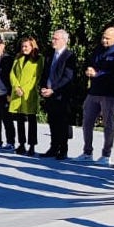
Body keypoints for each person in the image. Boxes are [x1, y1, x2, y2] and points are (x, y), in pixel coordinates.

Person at [76, 26, 114, 165]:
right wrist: (89, 70)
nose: (104, 40)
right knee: (87, 121)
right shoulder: (98, 50)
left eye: (107, 38)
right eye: (103, 37)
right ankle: (87, 151)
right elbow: (90, 62)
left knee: (108, 123)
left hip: (109, 93)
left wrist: (98, 74)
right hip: (94, 91)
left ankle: (106, 154)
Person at [39, 29, 76, 159]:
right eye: (53, 38)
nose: (53, 41)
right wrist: (43, 87)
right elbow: (45, 73)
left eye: (56, 39)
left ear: (64, 41)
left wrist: (53, 89)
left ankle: (63, 149)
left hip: (61, 95)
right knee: (52, 122)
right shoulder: (50, 55)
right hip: (49, 94)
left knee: (62, 123)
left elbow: (67, 77)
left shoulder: (69, 56)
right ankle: (53, 147)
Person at [8, 36, 43, 155]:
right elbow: (12, 73)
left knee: (31, 120)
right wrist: (16, 86)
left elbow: (36, 77)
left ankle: (32, 145)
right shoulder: (18, 57)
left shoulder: (39, 59)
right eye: (22, 46)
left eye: (26, 46)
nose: (24, 49)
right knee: (20, 119)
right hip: (17, 93)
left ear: (32, 46)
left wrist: (24, 88)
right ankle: (21, 144)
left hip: (29, 93)